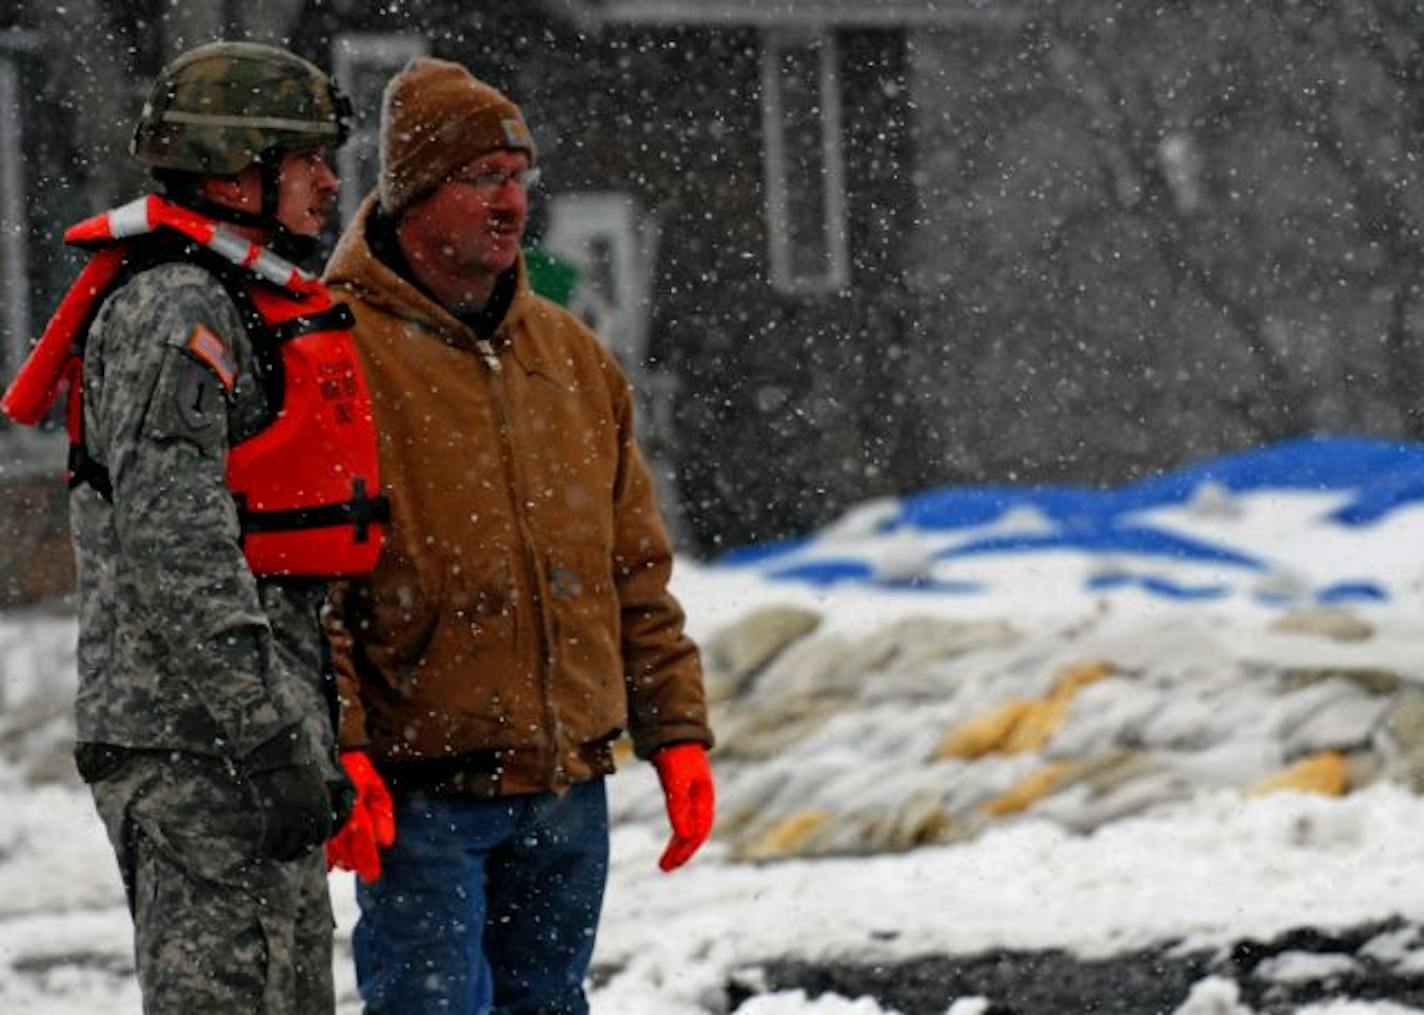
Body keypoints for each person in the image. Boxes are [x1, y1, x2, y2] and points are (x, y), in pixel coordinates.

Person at [321, 56, 716, 1014]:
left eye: (519, 177)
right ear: (415, 193)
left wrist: (677, 730)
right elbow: (315, 589)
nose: (511, 202)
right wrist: (345, 748)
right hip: (423, 797)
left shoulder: (572, 359)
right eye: (483, 177)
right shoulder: (335, 353)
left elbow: (633, 571)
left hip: (564, 789)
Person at [0, 41, 387, 1013]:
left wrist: (295, 733)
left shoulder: (234, 295)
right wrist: (266, 735)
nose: (329, 181)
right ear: (234, 168)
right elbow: (177, 549)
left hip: (247, 739)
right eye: (306, 160)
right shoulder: (174, 308)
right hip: (192, 747)